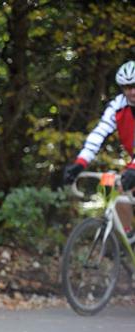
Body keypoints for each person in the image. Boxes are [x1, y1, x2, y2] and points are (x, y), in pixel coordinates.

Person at [64, 60, 135, 232]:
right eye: (127, 87)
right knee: (108, 186)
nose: (132, 91)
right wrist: (80, 162)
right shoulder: (117, 105)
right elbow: (99, 133)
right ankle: (124, 236)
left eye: (134, 85)